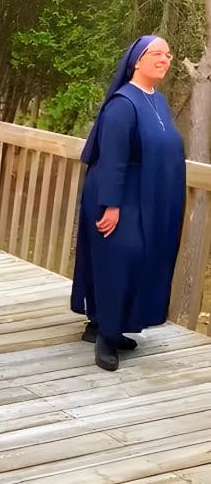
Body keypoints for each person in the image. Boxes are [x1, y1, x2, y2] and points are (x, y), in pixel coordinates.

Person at [71, 36, 185, 371]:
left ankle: (117, 325)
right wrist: (110, 204)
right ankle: (105, 336)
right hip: (119, 194)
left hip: (148, 195)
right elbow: (113, 158)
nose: (165, 59)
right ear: (137, 60)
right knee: (121, 257)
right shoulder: (123, 103)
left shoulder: (158, 101)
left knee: (144, 257)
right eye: (157, 54)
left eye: (168, 54)